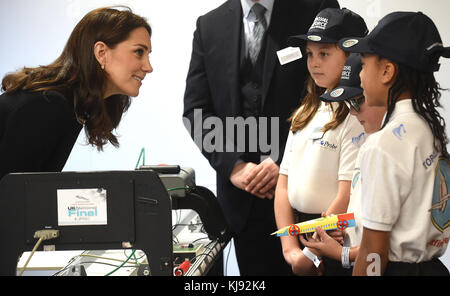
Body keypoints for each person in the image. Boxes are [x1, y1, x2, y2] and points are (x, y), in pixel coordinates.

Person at [182, 0, 339, 276]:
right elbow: (196, 112)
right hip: (243, 204)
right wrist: (234, 166)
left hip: (309, 205)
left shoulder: (315, 9)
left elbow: (331, 94)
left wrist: (284, 161)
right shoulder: (208, 25)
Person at [337, 11, 450, 276]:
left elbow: (374, 251)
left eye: (364, 65)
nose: (360, 76)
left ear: (387, 71)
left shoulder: (383, 144)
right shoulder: (430, 129)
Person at [0, 7, 153, 181]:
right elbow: (14, 199)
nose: (148, 67)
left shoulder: (70, 105)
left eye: (148, 55)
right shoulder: (47, 105)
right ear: (101, 53)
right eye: (139, 52)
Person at [274, 8, 368, 275]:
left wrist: (312, 252)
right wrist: (290, 249)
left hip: (336, 239)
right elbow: (283, 187)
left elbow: (345, 194)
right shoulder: (305, 112)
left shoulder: (357, 116)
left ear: (352, 56)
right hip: (305, 238)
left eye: (324, 53)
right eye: (310, 54)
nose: (314, 62)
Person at [299, 53, 386, 276]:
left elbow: (384, 247)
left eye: (358, 100)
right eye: (348, 103)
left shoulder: (386, 150)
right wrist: (339, 233)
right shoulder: (371, 144)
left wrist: (341, 254)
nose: (353, 111)